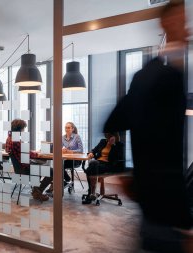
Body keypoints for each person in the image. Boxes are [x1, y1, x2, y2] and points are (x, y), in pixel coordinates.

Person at [104, 2, 192, 252]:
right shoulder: (156, 77)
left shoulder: (162, 75)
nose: (187, 29)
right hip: (163, 206)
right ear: (166, 24)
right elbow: (114, 121)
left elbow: (115, 122)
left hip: (159, 204)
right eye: (181, 21)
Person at [5, 119, 49, 201]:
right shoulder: (16, 140)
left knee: (39, 167)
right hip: (24, 168)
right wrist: (37, 154)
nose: (24, 130)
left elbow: (22, 152)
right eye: (23, 128)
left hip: (19, 169)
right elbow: (26, 153)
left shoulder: (9, 139)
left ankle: (36, 191)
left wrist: (33, 153)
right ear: (19, 129)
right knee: (51, 171)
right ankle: (38, 191)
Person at [82, 132, 124, 204]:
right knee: (92, 165)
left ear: (115, 135)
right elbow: (94, 150)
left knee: (91, 167)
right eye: (107, 135)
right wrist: (91, 153)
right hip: (98, 163)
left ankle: (91, 193)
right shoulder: (102, 141)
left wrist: (113, 145)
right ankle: (92, 193)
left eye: (109, 135)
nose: (107, 136)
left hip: (109, 165)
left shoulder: (119, 145)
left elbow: (117, 158)